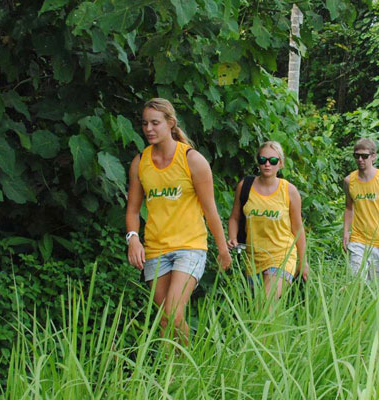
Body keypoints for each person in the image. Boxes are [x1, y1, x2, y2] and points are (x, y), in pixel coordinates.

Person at [126, 98, 232, 343]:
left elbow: (210, 209)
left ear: (171, 124)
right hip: (156, 249)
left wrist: (223, 248)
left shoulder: (192, 160)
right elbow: (132, 210)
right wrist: (133, 239)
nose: (149, 129)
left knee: (173, 314)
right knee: (165, 320)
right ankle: (174, 375)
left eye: (155, 123)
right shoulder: (140, 162)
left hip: (190, 247)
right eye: (145, 124)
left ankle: (186, 369)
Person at [226, 141, 308, 298]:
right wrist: (232, 238)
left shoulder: (289, 191)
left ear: (280, 163)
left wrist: (303, 262)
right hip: (253, 258)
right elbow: (234, 218)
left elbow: (298, 228)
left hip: (282, 255)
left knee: (266, 303)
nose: (267, 164)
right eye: (263, 160)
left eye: (273, 161)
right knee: (258, 311)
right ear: (258, 162)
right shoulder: (245, 186)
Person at [343, 138, 379, 281]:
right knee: (356, 282)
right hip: (358, 239)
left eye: (364, 156)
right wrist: (345, 232)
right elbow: (349, 208)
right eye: (357, 156)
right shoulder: (349, 181)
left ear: (373, 157)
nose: (360, 160)